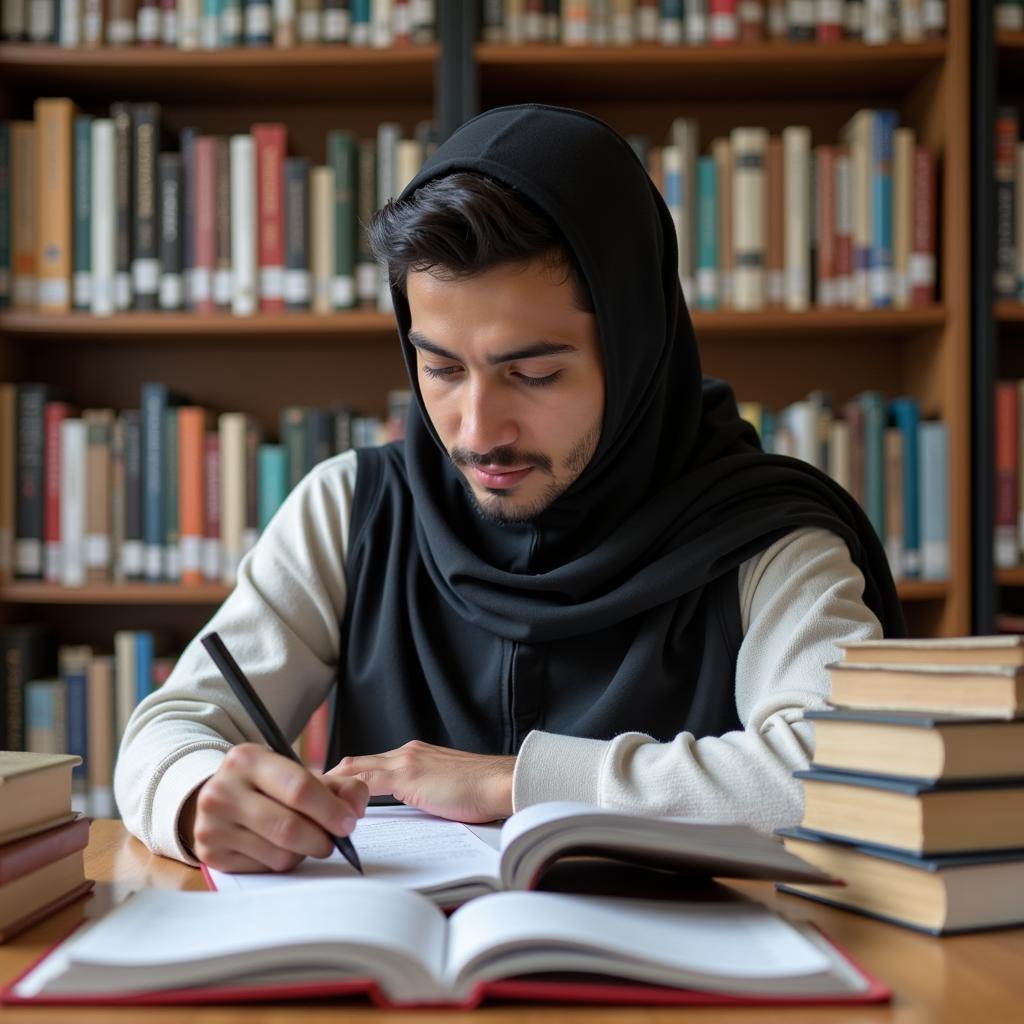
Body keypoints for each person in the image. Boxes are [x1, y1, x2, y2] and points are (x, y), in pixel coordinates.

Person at [114, 104, 903, 873]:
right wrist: (194, 795)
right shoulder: (351, 510)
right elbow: (174, 726)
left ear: (636, 348)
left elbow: (843, 769)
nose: (477, 430)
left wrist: (514, 783)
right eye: (442, 369)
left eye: (532, 373)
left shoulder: (768, 537)